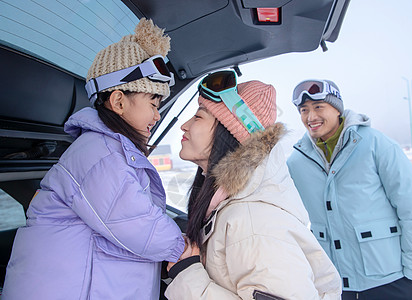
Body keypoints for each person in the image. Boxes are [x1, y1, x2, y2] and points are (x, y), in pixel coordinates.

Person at [2, 18, 184, 299]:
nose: (157, 115)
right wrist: (184, 249)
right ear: (119, 101)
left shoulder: (110, 151)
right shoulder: (98, 152)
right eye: (153, 103)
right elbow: (136, 222)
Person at [163, 70, 342, 300]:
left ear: (230, 131)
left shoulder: (254, 222)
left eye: (198, 117)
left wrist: (188, 275)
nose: (184, 126)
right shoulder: (228, 209)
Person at [286, 79, 412, 300]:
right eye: (304, 110)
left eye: (319, 107)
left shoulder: (375, 145)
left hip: (394, 282)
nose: (310, 117)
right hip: (336, 287)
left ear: (337, 109)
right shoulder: (296, 162)